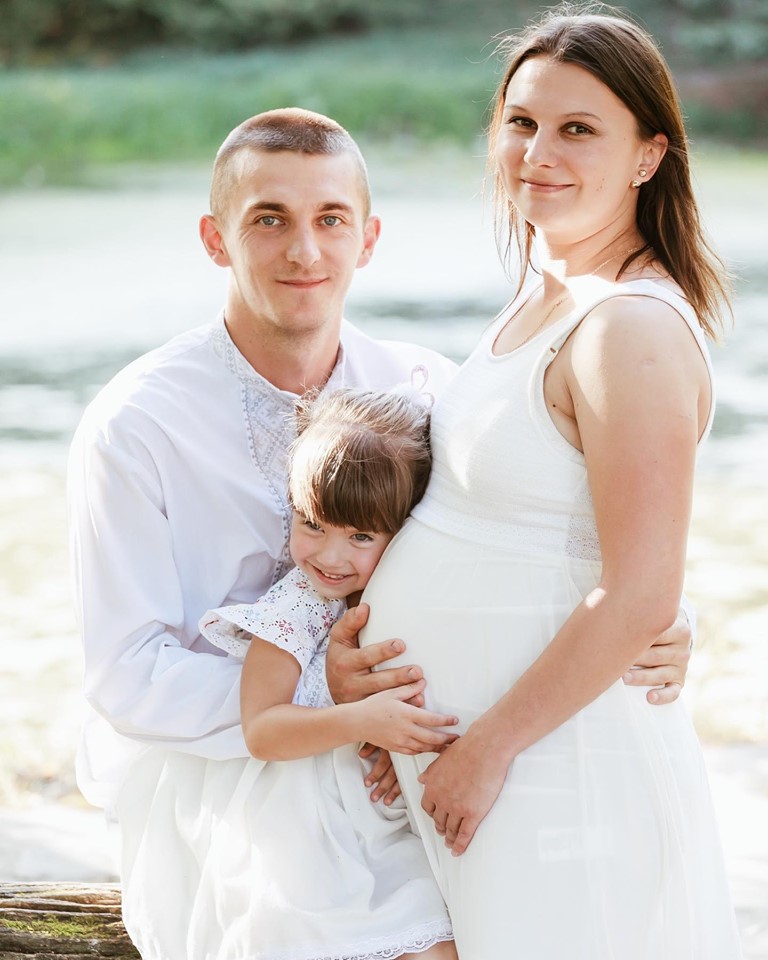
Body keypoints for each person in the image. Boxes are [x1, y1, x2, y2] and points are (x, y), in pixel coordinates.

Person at [68, 106, 693, 957]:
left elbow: (534, 534)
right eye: (269, 220)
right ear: (216, 240)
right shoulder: (136, 425)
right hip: (232, 768)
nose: (304, 252)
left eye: (331, 219)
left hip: (413, 743)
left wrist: (659, 620)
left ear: (368, 239)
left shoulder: (425, 388)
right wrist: (326, 700)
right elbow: (127, 674)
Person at [357, 7, 743, 959]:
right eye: (522, 122)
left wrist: (486, 750)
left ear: (649, 156)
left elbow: (641, 589)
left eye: (578, 129)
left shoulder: (629, 330)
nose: (538, 153)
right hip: (496, 765)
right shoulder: (547, 288)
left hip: (555, 771)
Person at [176, 386, 458, 960]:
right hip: (306, 830)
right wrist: (363, 722)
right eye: (313, 525)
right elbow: (263, 730)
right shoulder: (297, 605)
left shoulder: (411, 593)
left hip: (384, 821)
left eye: (361, 536)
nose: (330, 557)